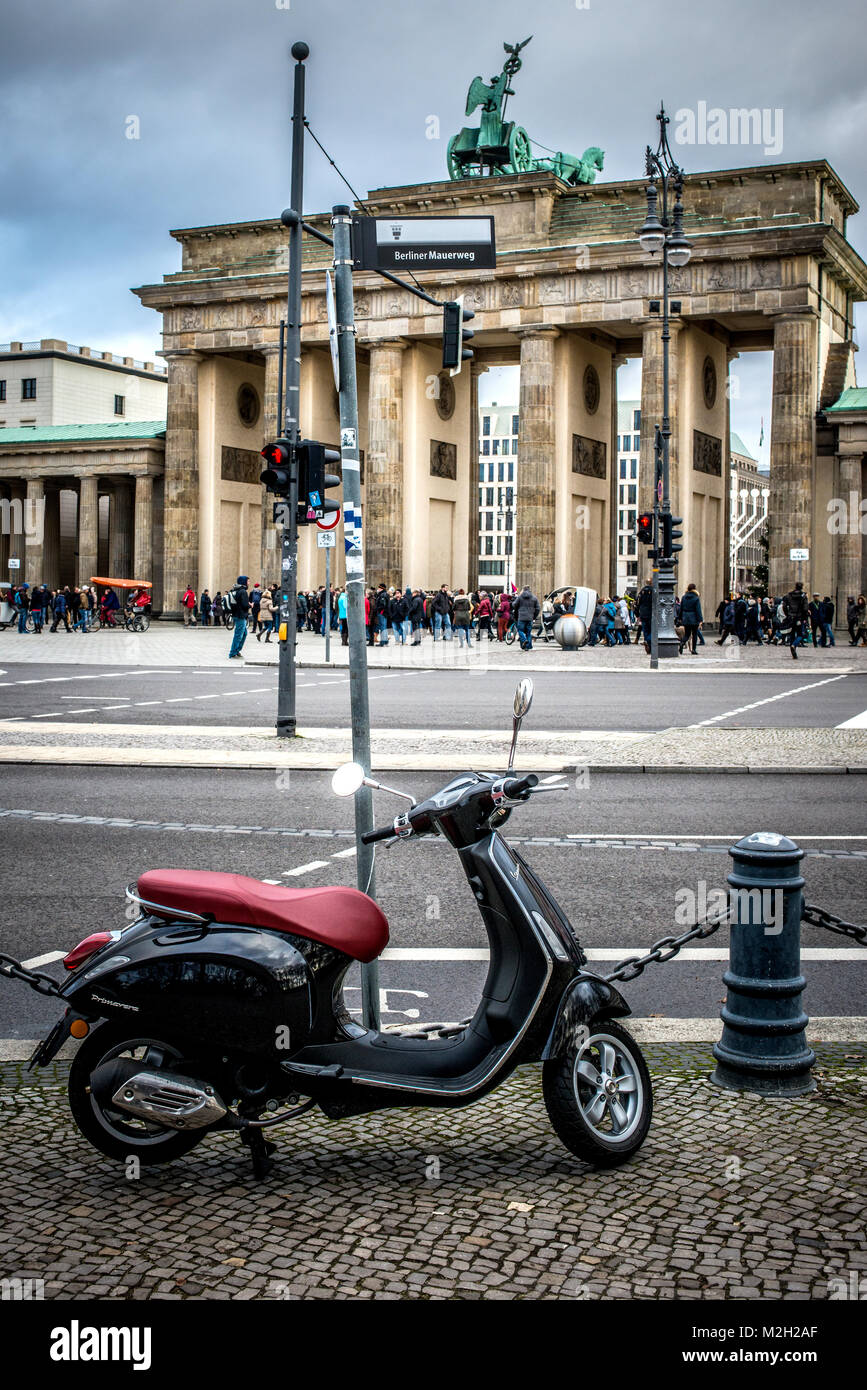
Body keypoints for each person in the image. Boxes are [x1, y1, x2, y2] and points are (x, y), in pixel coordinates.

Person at [782, 580, 809, 659]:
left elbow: (784, 606)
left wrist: (787, 614)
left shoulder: (789, 595)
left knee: (792, 634)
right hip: (799, 618)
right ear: (802, 587)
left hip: (791, 617)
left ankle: (793, 651)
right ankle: (794, 645)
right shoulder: (803, 596)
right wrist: (805, 618)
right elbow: (805, 608)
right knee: (801, 634)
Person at [228, 576, 250, 658]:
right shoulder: (243, 591)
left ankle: (237, 650)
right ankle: (233, 652)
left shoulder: (235, 590)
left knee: (244, 633)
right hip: (240, 615)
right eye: (248, 581)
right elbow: (244, 605)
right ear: (243, 582)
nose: (249, 583)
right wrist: (250, 605)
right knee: (238, 635)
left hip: (235, 614)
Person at [678, 583, 703, 654]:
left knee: (687, 634)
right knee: (694, 634)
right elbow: (698, 610)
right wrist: (700, 619)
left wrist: (680, 617)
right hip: (694, 618)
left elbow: (681, 608)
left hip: (686, 617)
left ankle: (682, 643)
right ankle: (694, 650)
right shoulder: (696, 598)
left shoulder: (684, 597)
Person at [514, 584, 540, 652]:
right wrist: (534, 616)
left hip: (521, 618)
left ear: (523, 589)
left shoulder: (520, 597)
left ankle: (524, 639)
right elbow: (538, 608)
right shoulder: (534, 598)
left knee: (520, 630)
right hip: (530, 618)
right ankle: (527, 646)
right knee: (528, 632)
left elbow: (514, 604)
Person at [636, 580, 653, 654]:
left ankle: (647, 641)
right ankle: (649, 641)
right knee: (652, 630)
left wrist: (637, 615)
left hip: (643, 613)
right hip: (651, 613)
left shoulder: (641, 592)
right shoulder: (654, 591)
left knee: (645, 630)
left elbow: (637, 604)